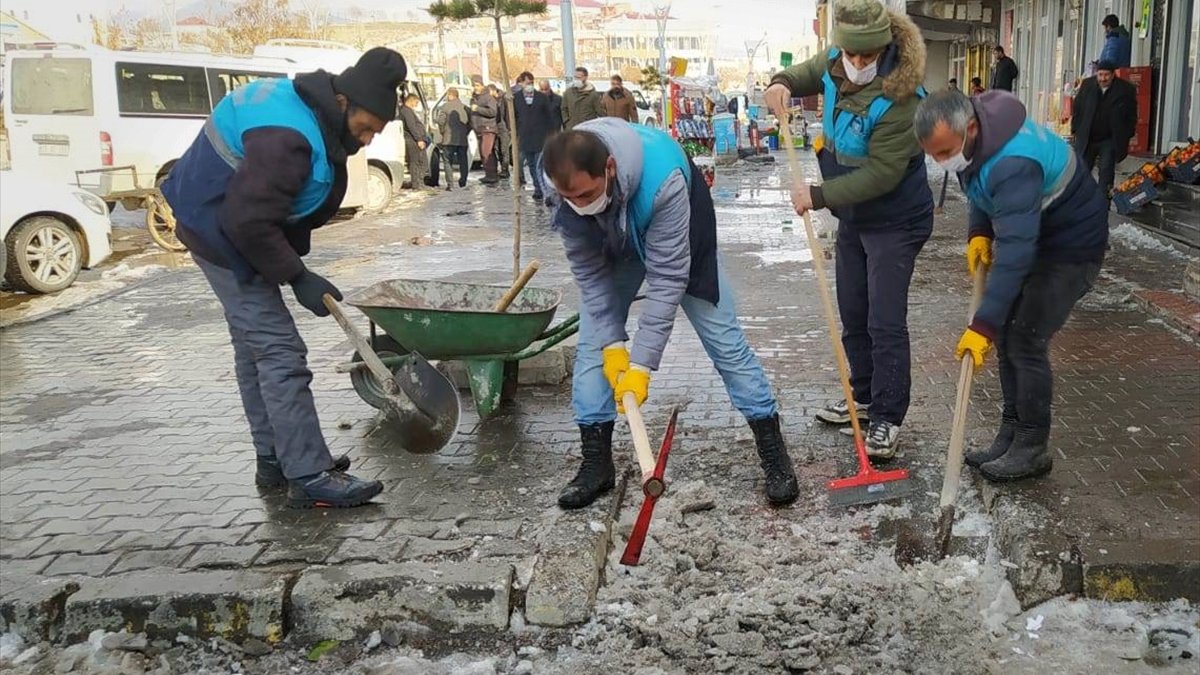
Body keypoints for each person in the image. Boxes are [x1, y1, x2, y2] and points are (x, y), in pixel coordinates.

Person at [160, 48, 407, 508]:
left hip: (222, 224)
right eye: (367, 126)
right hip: (220, 233)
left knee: (254, 348)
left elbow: (267, 211)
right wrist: (297, 276)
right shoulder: (287, 139)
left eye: (377, 130)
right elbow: (248, 222)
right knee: (280, 351)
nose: (369, 139)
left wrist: (294, 268)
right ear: (343, 101)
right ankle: (309, 474)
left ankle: (275, 457)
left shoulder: (311, 111)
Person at [542, 119, 800, 509]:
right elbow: (590, 275)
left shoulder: (664, 180)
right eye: (571, 198)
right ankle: (596, 463)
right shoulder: (561, 186)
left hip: (680, 240)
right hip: (616, 240)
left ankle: (773, 452)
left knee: (725, 342)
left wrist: (641, 366)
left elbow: (667, 279)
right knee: (594, 344)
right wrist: (613, 345)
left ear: (609, 168)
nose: (579, 204)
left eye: (587, 194)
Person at [764, 0, 933, 457]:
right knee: (853, 310)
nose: (856, 65)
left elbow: (882, 175)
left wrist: (817, 197)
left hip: (895, 218)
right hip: (854, 215)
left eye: (866, 57)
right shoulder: (835, 59)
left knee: (884, 320)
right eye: (850, 56)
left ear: (882, 48)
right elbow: (803, 73)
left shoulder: (902, 97)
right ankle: (862, 397)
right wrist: (780, 84)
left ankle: (887, 417)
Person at [914, 89, 1108, 482]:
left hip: (1072, 248)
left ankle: (1033, 445)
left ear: (969, 128)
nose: (941, 162)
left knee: (1025, 339)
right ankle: (1011, 432)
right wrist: (978, 230)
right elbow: (977, 184)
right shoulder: (976, 139)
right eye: (933, 155)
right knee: (1009, 334)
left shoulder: (1014, 162)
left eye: (944, 152)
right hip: (1039, 234)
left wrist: (981, 325)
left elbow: (1017, 254)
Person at [1071, 61, 1137, 196]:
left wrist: (1126, 134)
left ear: (1113, 75)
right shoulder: (1087, 85)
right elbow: (1077, 108)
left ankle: (1102, 204)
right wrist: (1076, 129)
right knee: (1081, 170)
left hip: (1109, 138)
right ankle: (1078, 202)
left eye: (1106, 75)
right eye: (1100, 75)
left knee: (1106, 171)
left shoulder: (1125, 89)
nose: (1103, 78)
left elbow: (1131, 115)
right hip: (1087, 137)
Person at [513, 73, 555, 203]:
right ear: (521, 83)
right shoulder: (516, 98)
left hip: (540, 136)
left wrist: (550, 134)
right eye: (526, 83)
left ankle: (543, 189)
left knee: (539, 164)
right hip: (525, 136)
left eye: (531, 82)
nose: (529, 85)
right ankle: (538, 188)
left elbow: (549, 117)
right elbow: (512, 117)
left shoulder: (541, 98)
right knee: (531, 165)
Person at [436, 87, 471, 188]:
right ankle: (463, 181)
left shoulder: (445, 107)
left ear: (450, 95)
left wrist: (442, 131)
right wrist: (465, 132)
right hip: (462, 140)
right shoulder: (466, 108)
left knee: (447, 161)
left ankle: (450, 184)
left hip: (448, 139)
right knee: (463, 161)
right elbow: (470, 123)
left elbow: (441, 121)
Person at [470, 76, 499, 185]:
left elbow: (493, 112)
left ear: (482, 85)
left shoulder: (488, 98)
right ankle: (489, 174)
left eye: (477, 85)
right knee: (484, 153)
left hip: (488, 128)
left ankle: (492, 175)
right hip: (479, 129)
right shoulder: (474, 98)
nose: (475, 88)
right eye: (474, 85)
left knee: (486, 151)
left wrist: (478, 109)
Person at [398, 93, 429, 189]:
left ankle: (419, 183)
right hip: (412, 141)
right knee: (416, 162)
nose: (417, 105)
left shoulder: (408, 111)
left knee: (421, 162)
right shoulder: (406, 112)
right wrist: (419, 139)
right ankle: (417, 184)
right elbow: (412, 127)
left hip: (414, 139)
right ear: (411, 101)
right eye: (416, 102)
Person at [562, 66, 605, 131]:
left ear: (585, 77)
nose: (576, 80)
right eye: (575, 77)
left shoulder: (593, 94)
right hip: (572, 128)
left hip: (588, 129)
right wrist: (567, 121)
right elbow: (564, 109)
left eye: (579, 77)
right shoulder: (568, 93)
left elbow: (600, 112)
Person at [490, 83, 512, 179]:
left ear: (494, 91)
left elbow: (508, 114)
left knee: (504, 149)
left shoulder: (504, 98)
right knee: (497, 149)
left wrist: (509, 128)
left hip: (504, 127)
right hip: (495, 127)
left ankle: (505, 169)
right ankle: (502, 167)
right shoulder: (491, 100)